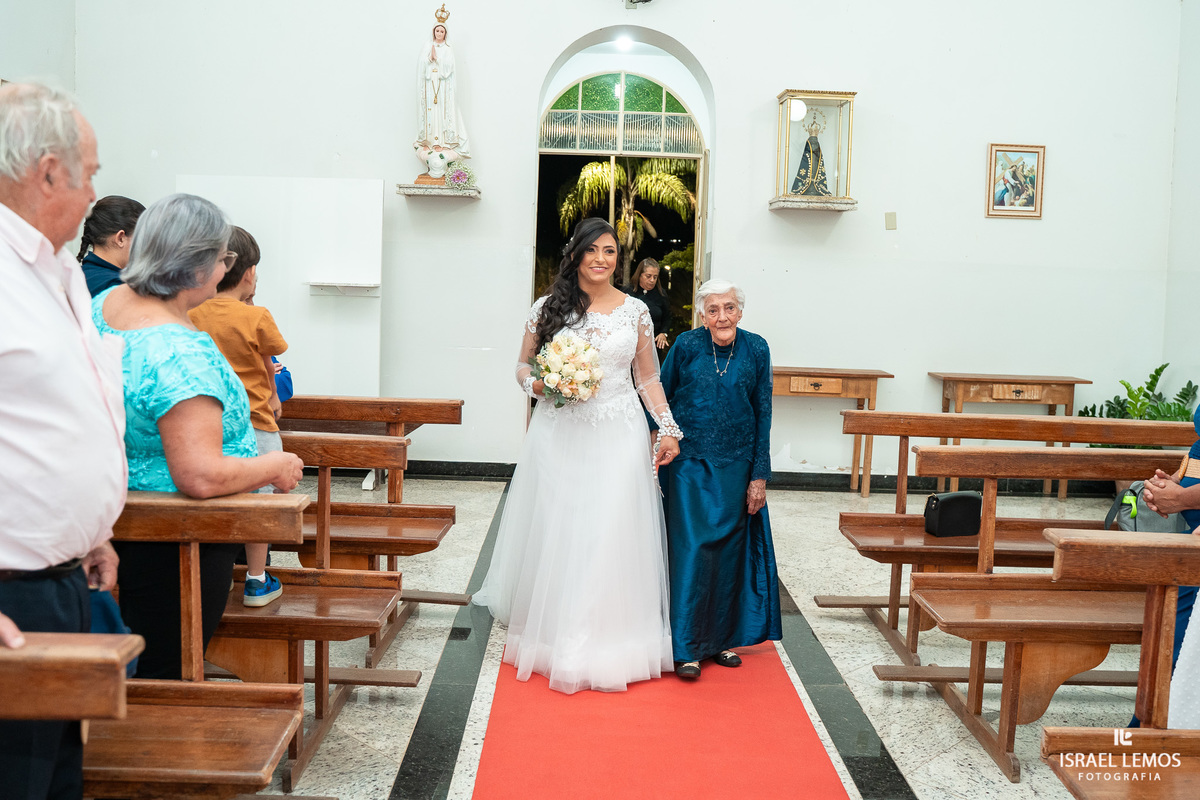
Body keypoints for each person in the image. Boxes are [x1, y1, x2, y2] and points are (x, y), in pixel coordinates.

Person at [92, 193, 303, 678]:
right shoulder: (177, 351)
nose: (225, 268)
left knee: (142, 653)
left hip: (120, 510)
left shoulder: (107, 305)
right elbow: (200, 475)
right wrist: (274, 465)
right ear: (197, 263)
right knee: (167, 665)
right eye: (222, 258)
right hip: (179, 533)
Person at [473, 217, 683, 694]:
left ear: (618, 259)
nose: (600, 259)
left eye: (609, 251)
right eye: (592, 250)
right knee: (565, 524)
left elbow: (648, 379)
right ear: (576, 254)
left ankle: (611, 633)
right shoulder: (549, 307)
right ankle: (559, 631)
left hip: (619, 430)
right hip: (560, 431)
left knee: (611, 526)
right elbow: (522, 366)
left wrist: (668, 428)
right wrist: (542, 385)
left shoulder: (636, 312)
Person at [0, 81, 127, 800]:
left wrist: (89, 532)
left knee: (54, 781)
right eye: (92, 173)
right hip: (9, 598)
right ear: (49, 172)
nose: (95, 194)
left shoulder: (57, 273)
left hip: (61, 580)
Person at [658, 279, 781, 679]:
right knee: (692, 550)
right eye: (713, 309)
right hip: (688, 464)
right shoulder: (686, 345)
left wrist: (759, 475)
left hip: (737, 466)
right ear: (702, 314)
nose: (722, 317)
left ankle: (721, 641)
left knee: (729, 553)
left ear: (740, 311)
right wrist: (660, 440)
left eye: (729, 308)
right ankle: (687, 648)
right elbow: (659, 397)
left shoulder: (757, 348)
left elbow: (764, 412)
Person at [188, 226, 289, 607]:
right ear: (249, 273)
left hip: (209, 424)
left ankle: (215, 573)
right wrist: (274, 397)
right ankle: (257, 579)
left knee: (218, 498)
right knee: (261, 504)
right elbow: (268, 364)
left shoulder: (192, 312)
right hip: (257, 420)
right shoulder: (255, 316)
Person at [1140, 411, 1200, 727]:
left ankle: (1157, 727)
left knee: (1178, 639)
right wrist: (1174, 482)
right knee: (1171, 630)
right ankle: (1153, 722)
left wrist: (1183, 498)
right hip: (1190, 542)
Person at [415, 14, 470, 166]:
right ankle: (429, 141)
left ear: (445, 33)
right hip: (429, 85)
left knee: (441, 112)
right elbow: (421, 65)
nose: (439, 33)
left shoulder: (447, 48)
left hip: (443, 86)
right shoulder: (427, 46)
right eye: (437, 31)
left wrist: (437, 59)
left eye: (442, 31)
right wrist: (429, 58)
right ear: (434, 32)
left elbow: (449, 66)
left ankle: (442, 142)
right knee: (431, 111)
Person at [77, 194, 145, 296]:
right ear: (120, 238)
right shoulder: (117, 287)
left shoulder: (78, 277)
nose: (146, 247)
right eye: (143, 239)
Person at [622, 257, 671, 350]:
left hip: (653, 344)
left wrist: (663, 333)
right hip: (629, 343)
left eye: (655, 277)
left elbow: (667, 317)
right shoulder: (627, 292)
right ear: (639, 275)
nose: (652, 280)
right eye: (648, 276)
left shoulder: (661, 294)